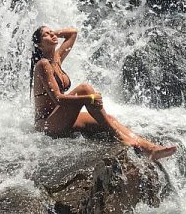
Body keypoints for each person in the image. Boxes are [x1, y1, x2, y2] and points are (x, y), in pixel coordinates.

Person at [30, 25, 177, 161]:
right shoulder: (43, 64)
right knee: (85, 89)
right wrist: (89, 98)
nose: (52, 35)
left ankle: (149, 148)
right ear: (39, 45)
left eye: (52, 32)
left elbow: (72, 33)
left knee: (109, 118)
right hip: (48, 124)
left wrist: (54, 34)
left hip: (61, 116)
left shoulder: (56, 58)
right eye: (46, 35)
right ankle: (122, 138)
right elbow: (58, 99)